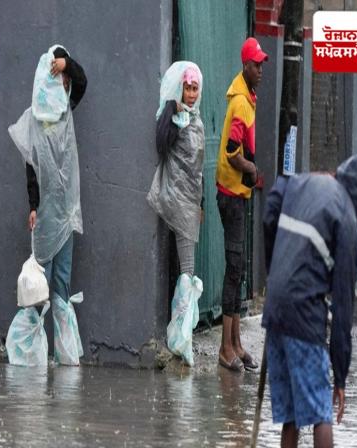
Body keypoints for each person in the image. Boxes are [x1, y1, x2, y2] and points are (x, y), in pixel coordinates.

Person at [262, 155, 357, 448]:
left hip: (274, 309)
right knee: (321, 410)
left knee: (292, 415)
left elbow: (271, 208)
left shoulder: (302, 182)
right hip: (303, 315)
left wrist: (275, 272)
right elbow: (343, 308)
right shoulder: (347, 219)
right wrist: (340, 377)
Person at [8, 45, 87, 366]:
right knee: (40, 285)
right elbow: (31, 166)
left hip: (67, 214)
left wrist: (67, 63)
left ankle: (64, 354)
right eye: (56, 78)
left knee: (62, 284)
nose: (63, 84)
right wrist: (32, 205)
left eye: (64, 78)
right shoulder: (34, 120)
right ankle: (29, 355)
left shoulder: (66, 110)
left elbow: (82, 81)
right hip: (44, 214)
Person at [147, 61, 205, 366]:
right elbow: (160, 144)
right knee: (187, 271)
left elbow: (197, 169)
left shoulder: (196, 121)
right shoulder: (172, 113)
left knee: (186, 271)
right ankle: (182, 340)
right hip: (173, 199)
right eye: (188, 88)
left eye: (196, 88)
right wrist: (175, 117)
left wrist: (201, 204)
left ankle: (182, 336)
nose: (192, 94)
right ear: (179, 88)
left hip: (189, 203)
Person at [215, 37, 266, 372]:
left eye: (261, 64)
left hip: (238, 195)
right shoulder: (241, 105)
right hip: (231, 195)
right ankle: (225, 348)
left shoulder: (246, 97)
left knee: (239, 268)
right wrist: (252, 169)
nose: (260, 69)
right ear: (244, 65)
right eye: (256, 64)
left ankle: (236, 343)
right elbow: (233, 153)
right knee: (234, 269)